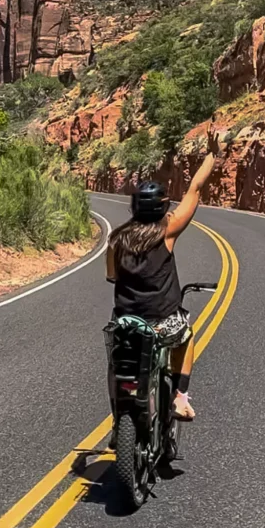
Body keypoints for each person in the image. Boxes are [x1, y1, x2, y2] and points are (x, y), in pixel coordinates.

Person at [106, 130, 219, 423]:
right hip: (161, 322)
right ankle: (180, 399)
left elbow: (112, 276)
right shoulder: (167, 231)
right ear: (162, 207)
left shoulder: (117, 240)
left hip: (127, 322)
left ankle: (120, 423)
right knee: (186, 337)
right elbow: (194, 188)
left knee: (116, 366)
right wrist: (212, 155)